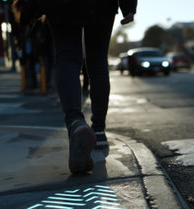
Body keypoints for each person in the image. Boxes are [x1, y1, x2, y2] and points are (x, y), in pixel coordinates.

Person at [46, 0, 137, 173]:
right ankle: (99, 131)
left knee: (67, 56)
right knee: (98, 60)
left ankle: (75, 123)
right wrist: (129, 7)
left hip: (60, 6)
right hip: (101, 5)